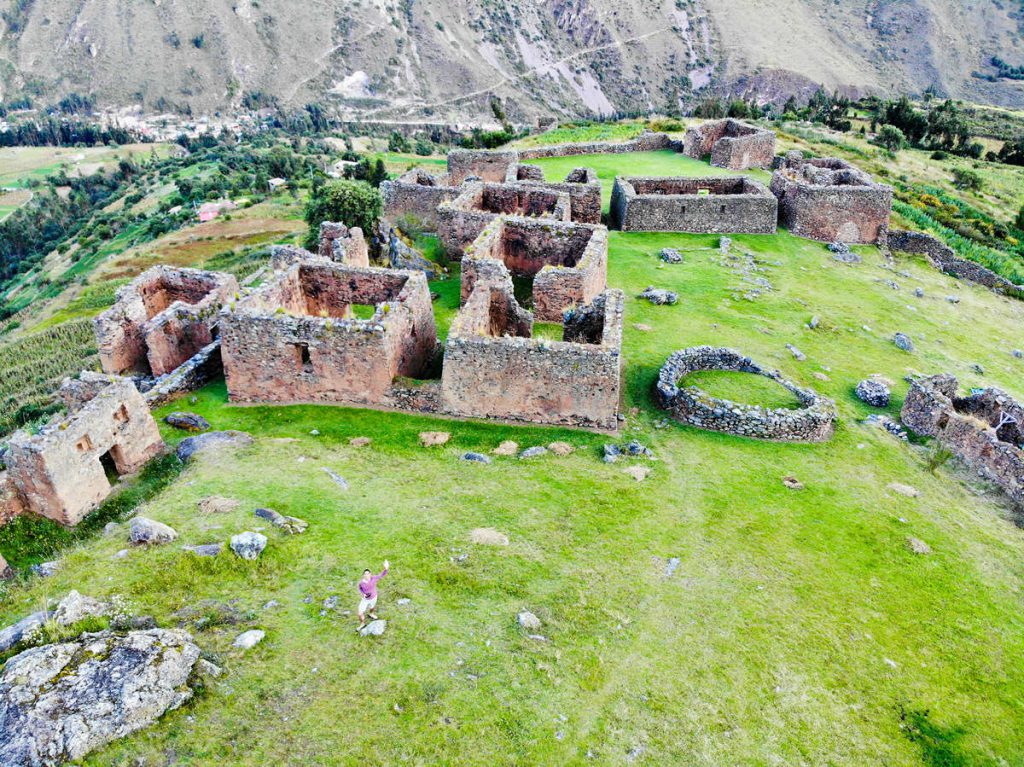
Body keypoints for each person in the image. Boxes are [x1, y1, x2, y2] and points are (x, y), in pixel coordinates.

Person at [357, 560, 389, 631]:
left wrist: (386, 568)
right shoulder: (361, 583)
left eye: (368, 573)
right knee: (360, 613)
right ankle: (362, 624)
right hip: (365, 600)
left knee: (372, 607)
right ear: (363, 575)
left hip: (374, 597)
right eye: (365, 574)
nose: (367, 575)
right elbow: (360, 589)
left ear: (370, 574)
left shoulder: (374, 578)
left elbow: (382, 575)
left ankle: (371, 614)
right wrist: (363, 594)